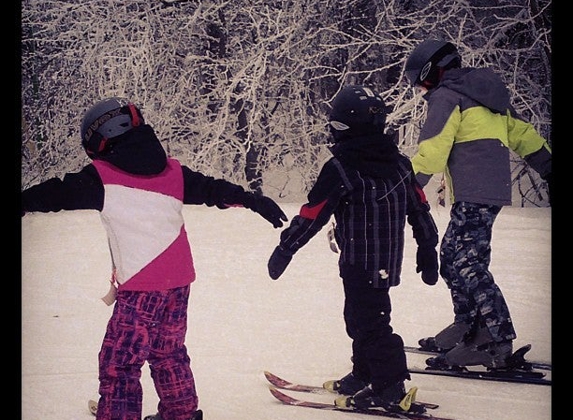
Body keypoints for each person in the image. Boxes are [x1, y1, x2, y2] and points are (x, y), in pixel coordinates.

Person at [21, 97, 288, 420]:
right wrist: (250, 199)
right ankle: (181, 413)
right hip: (178, 283)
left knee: (120, 362)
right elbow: (211, 189)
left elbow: (56, 193)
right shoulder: (173, 171)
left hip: (141, 287)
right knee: (168, 351)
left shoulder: (100, 178)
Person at [266, 85, 439, 413]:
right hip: (386, 262)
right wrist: (427, 246)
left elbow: (312, 215)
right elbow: (420, 208)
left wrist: (286, 248)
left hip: (360, 262)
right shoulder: (399, 163)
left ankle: (390, 386)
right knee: (362, 317)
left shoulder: (342, 167)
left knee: (370, 323)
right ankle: (365, 373)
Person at [404, 39, 552, 369]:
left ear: (434, 72)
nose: (421, 89)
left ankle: (493, 339)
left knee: (466, 263)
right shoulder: (485, 94)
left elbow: (433, 149)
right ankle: (468, 326)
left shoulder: (448, 96)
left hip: (474, 193)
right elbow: (521, 132)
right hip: (486, 193)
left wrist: (407, 187)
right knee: (454, 258)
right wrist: (547, 165)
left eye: (421, 81)